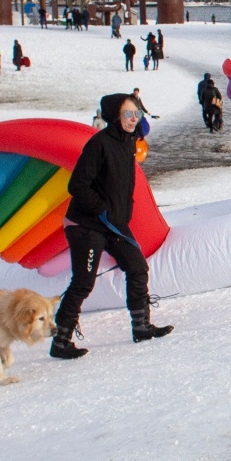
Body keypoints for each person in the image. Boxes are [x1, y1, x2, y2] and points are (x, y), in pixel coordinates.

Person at [50, 93, 174, 359]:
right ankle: (60, 340)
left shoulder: (128, 143)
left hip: (114, 224)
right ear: (114, 116)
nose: (133, 119)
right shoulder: (99, 144)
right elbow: (77, 185)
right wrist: (101, 210)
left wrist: (121, 213)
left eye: (136, 114)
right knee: (83, 282)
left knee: (138, 267)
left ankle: (141, 326)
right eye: (127, 114)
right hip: (86, 224)